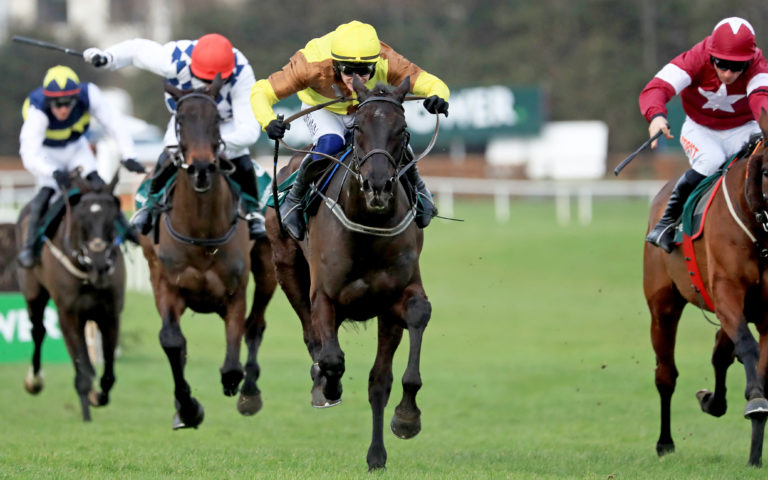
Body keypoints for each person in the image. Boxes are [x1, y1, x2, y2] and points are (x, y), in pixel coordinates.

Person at [250, 20, 450, 241]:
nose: (356, 78)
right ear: (335, 64)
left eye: (365, 71)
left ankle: (420, 190)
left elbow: (432, 82)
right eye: (348, 71)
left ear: (375, 64)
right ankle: (294, 200)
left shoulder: (386, 59)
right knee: (331, 143)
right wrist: (267, 121)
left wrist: (439, 97)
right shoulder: (311, 63)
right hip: (322, 110)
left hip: (363, 107)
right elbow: (262, 91)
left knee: (393, 141)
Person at [82, 33, 267, 239]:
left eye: (216, 81)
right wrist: (109, 58)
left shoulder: (241, 70)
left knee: (240, 153)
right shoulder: (174, 59)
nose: (209, 86)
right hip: (186, 122)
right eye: (205, 79)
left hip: (222, 123)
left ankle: (253, 212)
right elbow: (137, 50)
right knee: (170, 151)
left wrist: (212, 145)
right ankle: (150, 206)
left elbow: (250, 131)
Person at [640, 17, 768, 253]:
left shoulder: (758, 67)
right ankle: (667, 222)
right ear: (711, 54)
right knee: (711, 161)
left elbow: (762, 101)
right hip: (701, 129)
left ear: (749, 61)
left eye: (737, 67)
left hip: (744, 128)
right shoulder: (695, 58)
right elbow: (657, 87)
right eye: (721, 64)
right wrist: (656, 115)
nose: (728, 74)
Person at [17, 65, 144, 268]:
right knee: (44, 197)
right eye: (57, 104)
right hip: (47, 155)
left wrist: (129, 154)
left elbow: (114, 124)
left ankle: (127, 233)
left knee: (102, 189)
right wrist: (53, 172)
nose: (63, 109)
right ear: (48, 101)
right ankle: (29, 247)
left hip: (77, 150)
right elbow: (28, 153)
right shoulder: (37, 110)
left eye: (68, 103)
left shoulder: (90, 94)